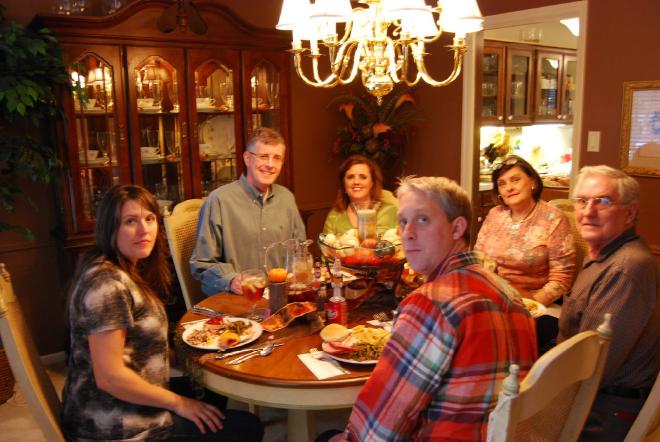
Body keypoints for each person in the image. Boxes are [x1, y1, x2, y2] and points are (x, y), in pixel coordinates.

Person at [332, 176, 538, 441]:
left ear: (457, 228)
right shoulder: (509, 293)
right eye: (403, 221)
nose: (407, 233)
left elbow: (377, 430)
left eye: (422, 219)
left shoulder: (430, 304)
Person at [61, 184, 263, 441]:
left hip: (128, 398)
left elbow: (139, 345)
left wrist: (191, 359)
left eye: (149, 219)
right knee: (247, 427)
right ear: (110, 228)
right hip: (113, 423)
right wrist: (179, 403)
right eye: (130, 221)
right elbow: (110, 378)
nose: (144, 230)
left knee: (210, 388)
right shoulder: (107, 285)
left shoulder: (120, 269)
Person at [557, 165, 659, 442]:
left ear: (630, 213)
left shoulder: (626, 268)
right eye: (582, 201)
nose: (588, 211)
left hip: (603, 410)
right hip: (591, 393)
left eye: (603, 201)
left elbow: (590, 366)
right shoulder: (604, 255)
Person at [191, 127, 306, 295]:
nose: (270, 165)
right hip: (237, 298)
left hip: (281, 295)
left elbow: (300, 251)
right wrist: (231, 280)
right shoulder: (219, 200)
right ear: (247, 158)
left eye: (277, 158)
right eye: (263, 156)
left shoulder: (286, 198)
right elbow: (202, 264)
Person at [475, 155, 577, 306]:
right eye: (502, 184)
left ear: (533, 182)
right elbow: (478, 257)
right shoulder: (495, 214)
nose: (509, 187)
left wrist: (529, 306)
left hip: (532, 302)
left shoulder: (554, 218)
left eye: (515, 180)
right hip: (491, 295)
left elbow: (561, 279)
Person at [322, 154, 398, 235]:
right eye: (350, 177)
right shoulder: (334, 217)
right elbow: (326, 242)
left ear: (372, 183)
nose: (356, 182)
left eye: (363, 177)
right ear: (344, 184)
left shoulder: (391, 212)